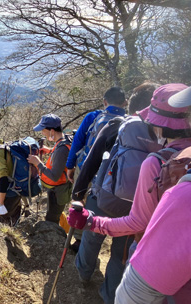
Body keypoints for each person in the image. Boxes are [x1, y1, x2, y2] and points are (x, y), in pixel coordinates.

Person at [68, 83, 191, 303]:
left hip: (107, 202)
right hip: (179, 264)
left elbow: (91, 161)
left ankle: (84, 274)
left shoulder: (154, 160)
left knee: (91, 241)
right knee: (119, 256)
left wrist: (82, 204)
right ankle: (108, 295)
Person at [115, 85, 191, 304]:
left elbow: (138, 221)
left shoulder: (155, 162)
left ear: (160, 128)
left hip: (153, 266)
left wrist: (94, 222)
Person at [66, 87, 127, 184]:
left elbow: (77, 142)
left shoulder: (93, 116)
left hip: (87, 169)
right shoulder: (128, 122)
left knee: (79, 198)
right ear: (125, 103)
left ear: (104, 101)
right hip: (112, 174)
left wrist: (70, 166)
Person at [27, 114, 72, 225]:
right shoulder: (65, 139)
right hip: (58, 190)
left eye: (43, 130)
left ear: (52, 131)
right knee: (56, 214)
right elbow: (62, 157)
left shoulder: (62, 149)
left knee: (52, 220)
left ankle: (58, 240)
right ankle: (63, 231)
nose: (42, 133)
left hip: (58, 191)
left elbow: (54, 176)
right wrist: (50, 150)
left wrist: (38, 163)